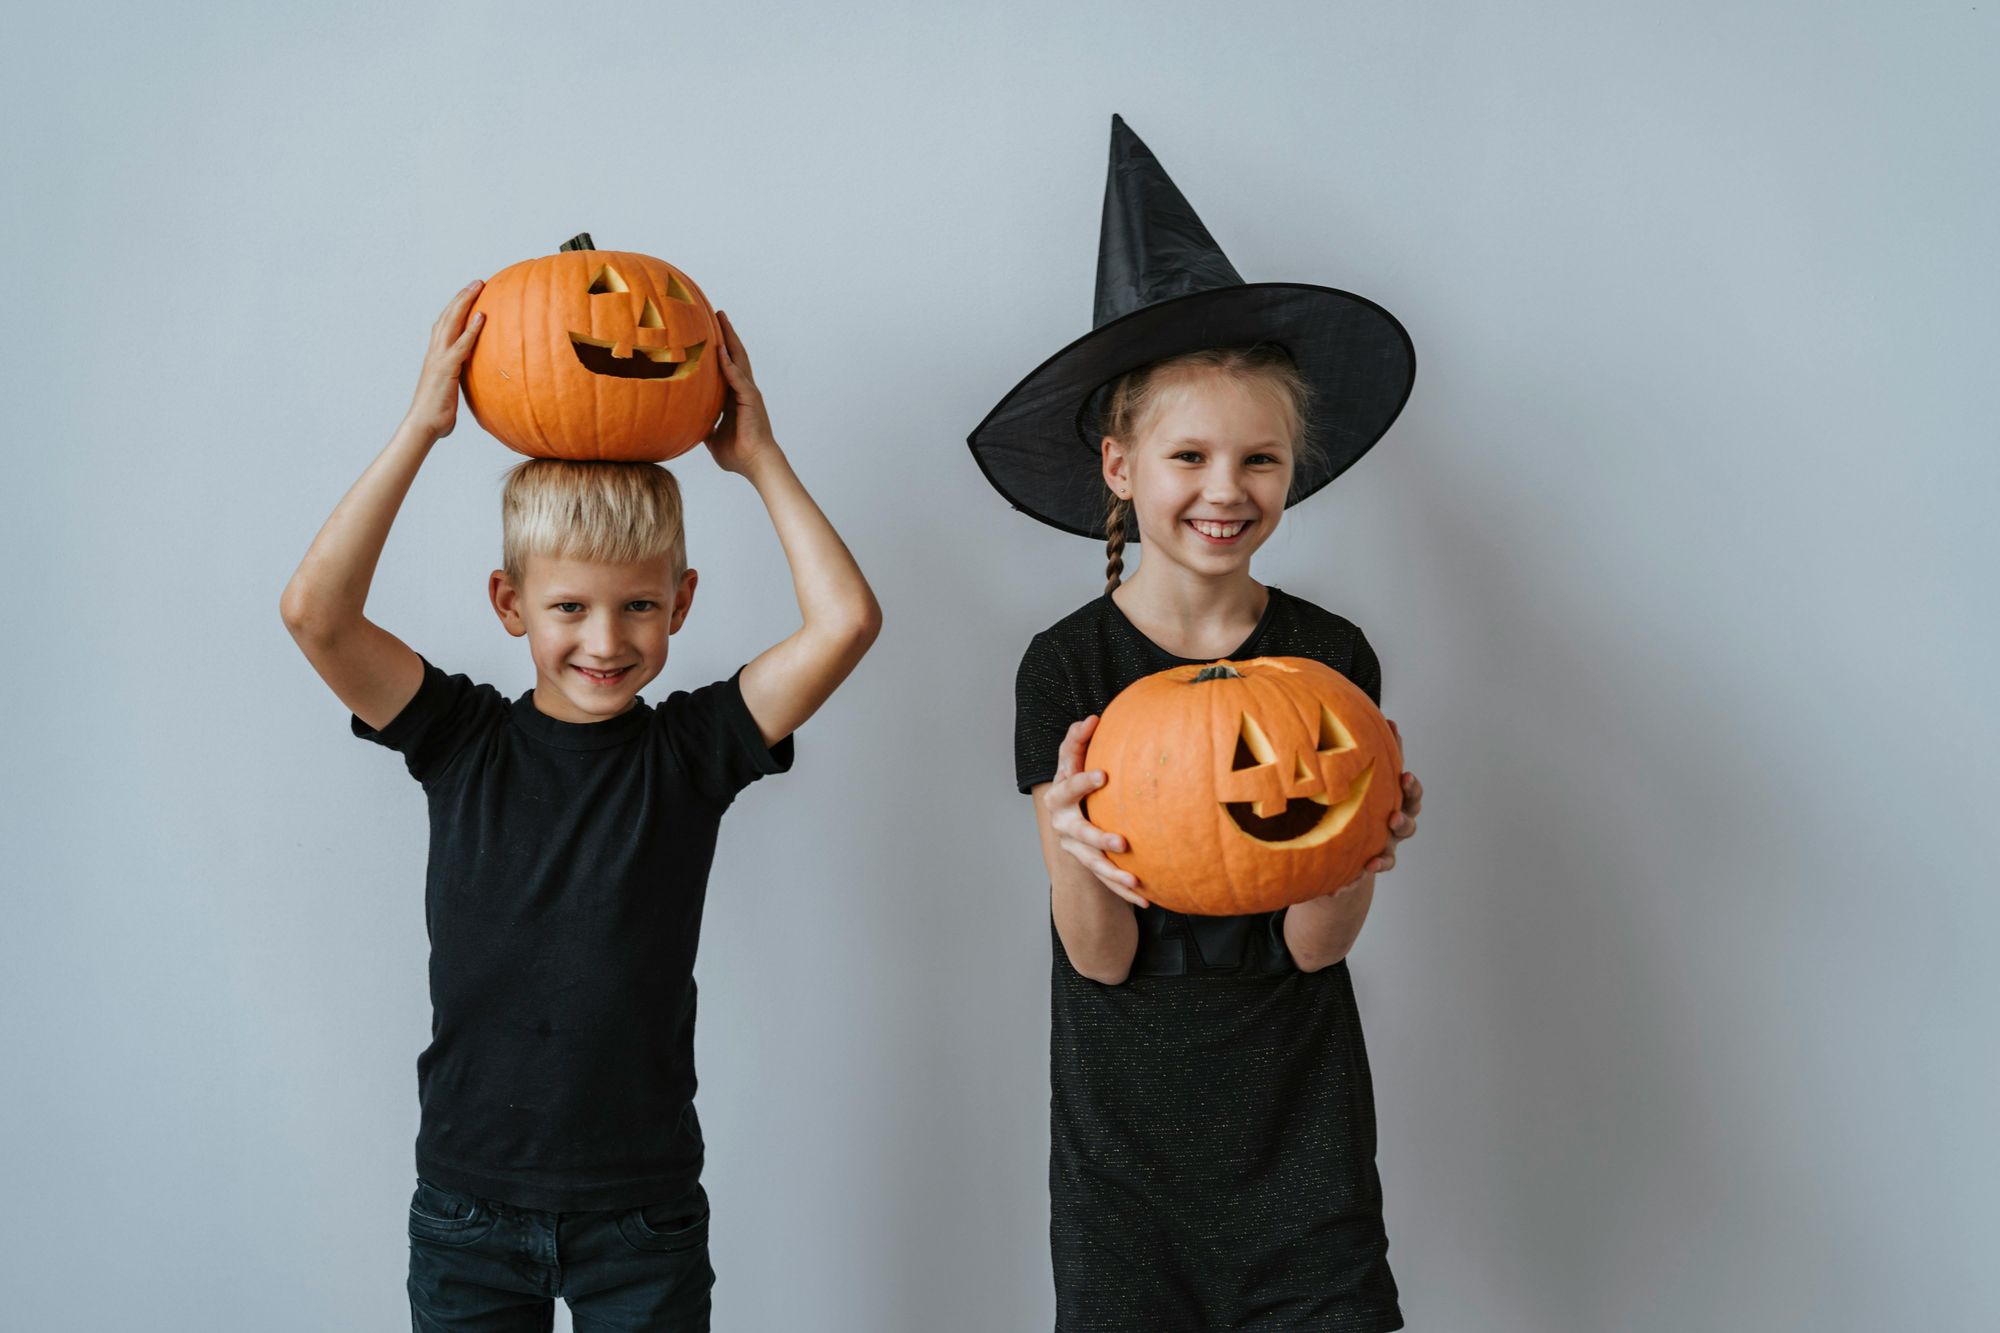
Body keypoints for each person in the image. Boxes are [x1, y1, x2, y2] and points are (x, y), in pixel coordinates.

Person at [279, 280, 880, 1330]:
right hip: (468, 1205)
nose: (605, 642)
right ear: (509, 605)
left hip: (639, 1216)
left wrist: (758, 460)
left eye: (639, 606)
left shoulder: (694, 750)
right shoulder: (460, 738)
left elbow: (844, 623)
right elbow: (315, 614)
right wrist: (422, 426)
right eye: (569, 607)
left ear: (681, 602)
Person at [972, 117, 1423, 1330]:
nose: (1224, 491)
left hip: (1298, 1118)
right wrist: (1064, 843)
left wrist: (1359, 842)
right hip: (1125, 1145)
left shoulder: (1329, 661)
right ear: (1119, 467)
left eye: (1258, 460)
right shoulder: (1065, 665)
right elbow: (1101, 955)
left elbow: (1317, 944)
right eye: (1188, 455)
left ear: (1291, 470)